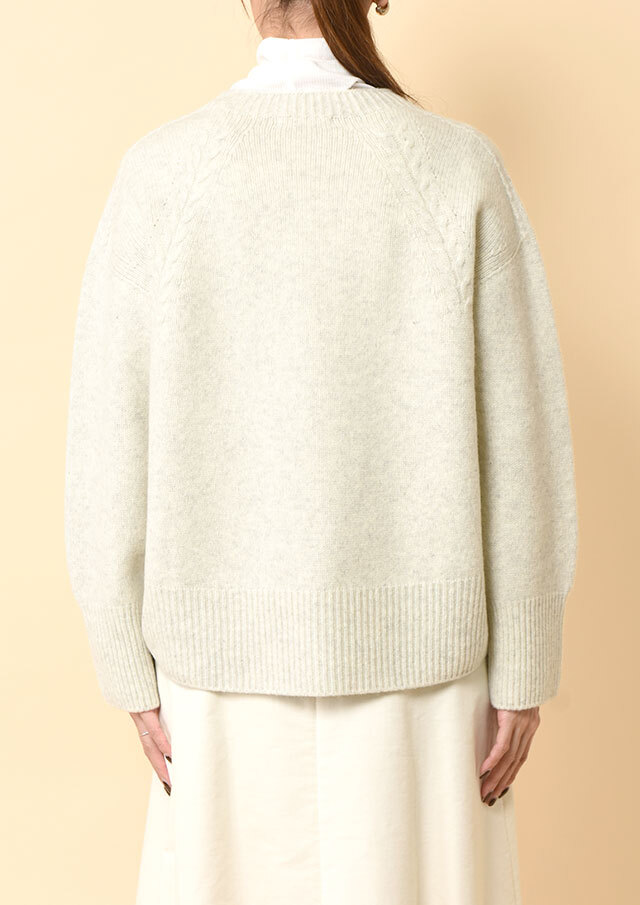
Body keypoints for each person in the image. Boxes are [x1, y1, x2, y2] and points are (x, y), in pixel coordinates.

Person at [63, 1, 579, 903]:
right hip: (424, 692)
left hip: (216, 688)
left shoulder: (161, 173)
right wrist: (526, 661)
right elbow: (520, 442)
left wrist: (124, 661)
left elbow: (107, 436)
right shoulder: (456, 168)